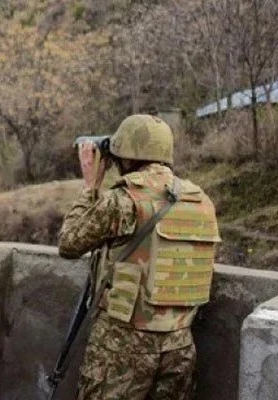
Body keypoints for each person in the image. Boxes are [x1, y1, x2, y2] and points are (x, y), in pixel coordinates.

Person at [58, 114, 220, 399]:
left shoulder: (124, 200)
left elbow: (69, 244)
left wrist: (90, 187)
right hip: (179, 347)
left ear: (125, 155)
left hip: (121, 347)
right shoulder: (199, 201)